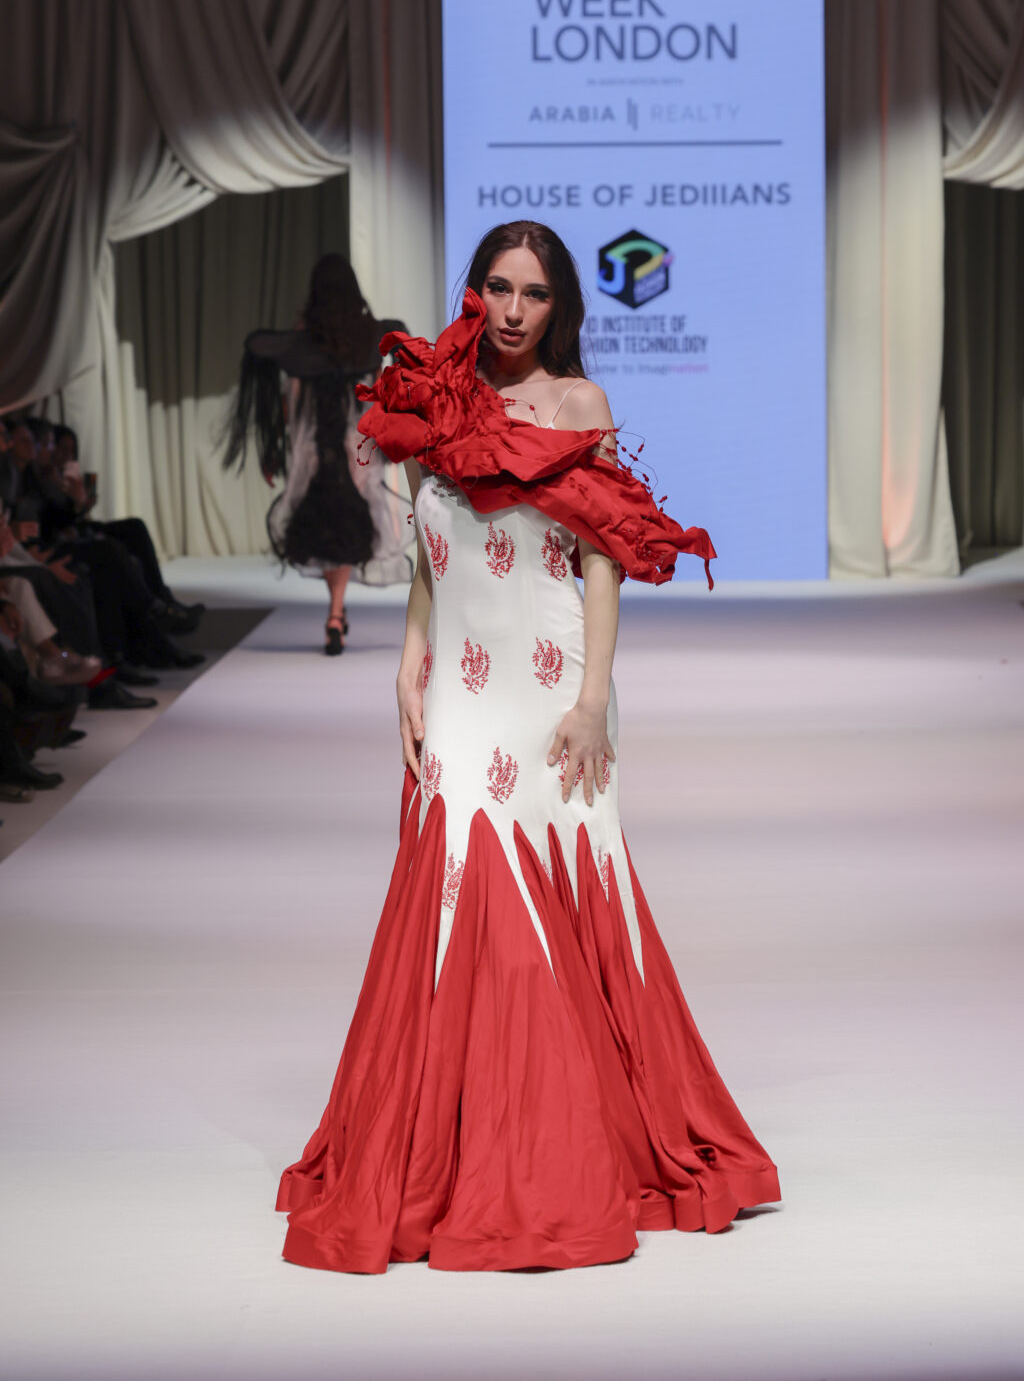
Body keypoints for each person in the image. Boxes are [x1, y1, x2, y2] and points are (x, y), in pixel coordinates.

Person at [275, 222, 780, 1274]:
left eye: (535, 294)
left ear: (561, 307)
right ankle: (454, 1143)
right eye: (498, 288)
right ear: (473, 292)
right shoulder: (437, 397)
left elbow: (602, 559)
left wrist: (593, 700)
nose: (513, 311)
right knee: (460, 878)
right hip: (458, 686)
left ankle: (557, 1147)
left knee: (558, 893)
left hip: (551, 686)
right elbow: (431, 552)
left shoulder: (578, 404)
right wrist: (406, 661)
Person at [223, 254, 413, 655]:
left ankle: (335, 610)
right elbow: (383, 389)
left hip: (313, 447)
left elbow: (288, 400)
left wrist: (276, 448)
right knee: (345, 521)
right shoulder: (369, 336)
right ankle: (336, 611)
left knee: (328, 522)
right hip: (357, 445)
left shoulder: (301, 342)